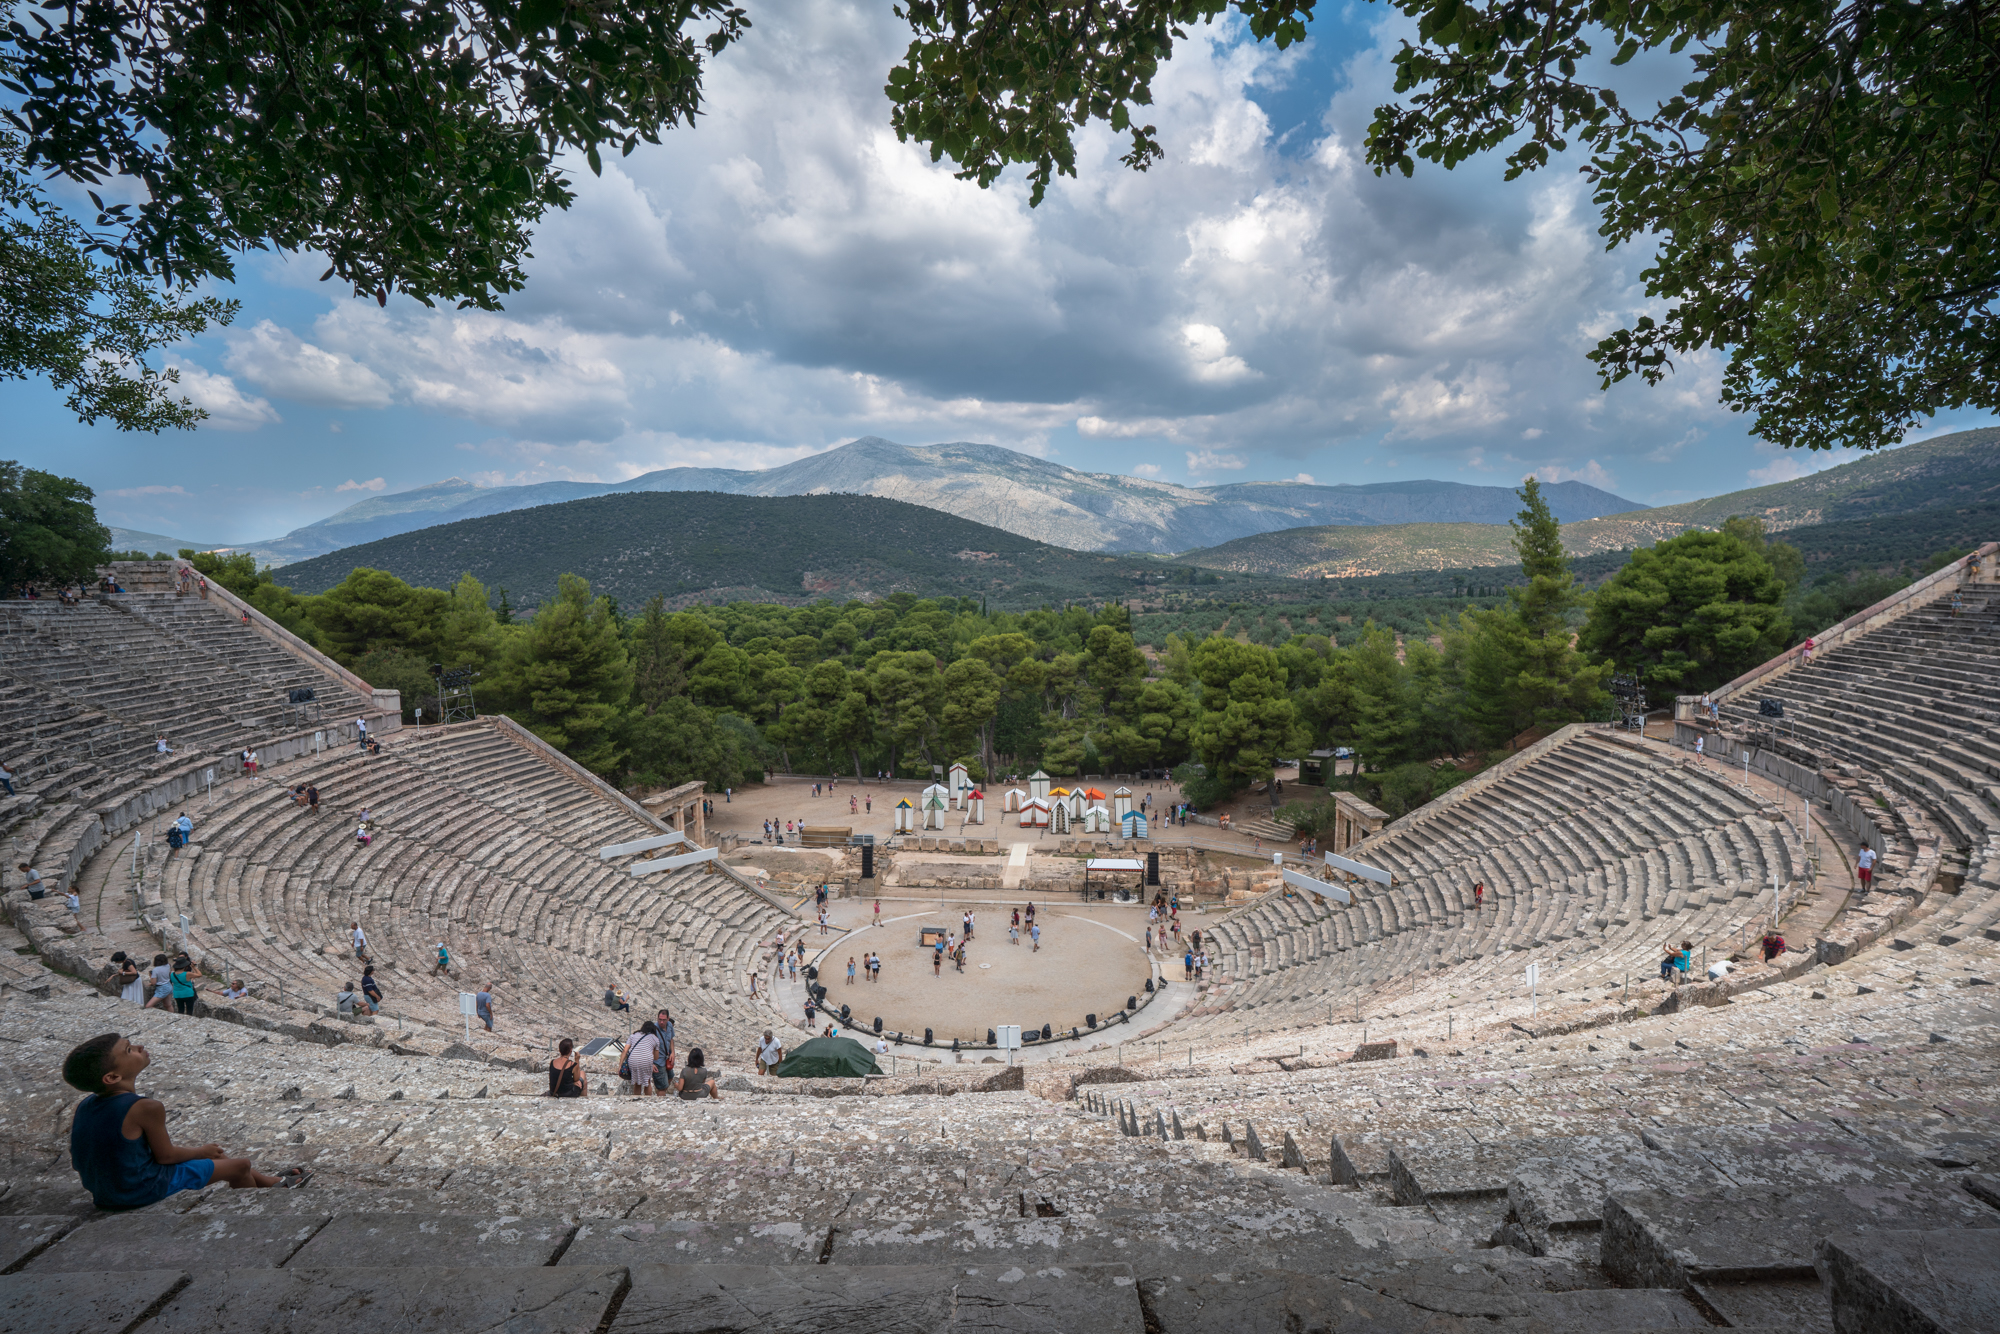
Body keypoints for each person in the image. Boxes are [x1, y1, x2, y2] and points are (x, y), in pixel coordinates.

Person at [64, 1032, 306, 1208]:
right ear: (112, 1077)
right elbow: (166, 1156)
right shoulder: (145, 1107)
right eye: (129, 1050)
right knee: (240, 1165)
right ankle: (256, 1211)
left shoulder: (85, 1105)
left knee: (216, 1157)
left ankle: (272, 1182)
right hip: (138, 1190)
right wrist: (201, 1151)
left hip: (106, 1192)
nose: (139, 1046)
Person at [624, 1022, 660, 1096]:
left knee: (637, 1082)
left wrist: (620, 1065)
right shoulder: (655, 1038)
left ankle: (637, 1099)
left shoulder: (633, 1035)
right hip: (646, 1061)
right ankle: (647, 1099)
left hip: (633, 1060)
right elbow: (656, 1057)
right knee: (647, 1082)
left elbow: (625, 1050)